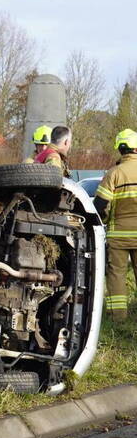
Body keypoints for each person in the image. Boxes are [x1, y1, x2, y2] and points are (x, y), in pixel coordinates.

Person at [95, 129, 137, 321]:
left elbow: (101, 206)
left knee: (116, 275)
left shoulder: (114, 173)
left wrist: (105, 221)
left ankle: (118, 317)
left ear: (120, 149)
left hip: (118, 236)